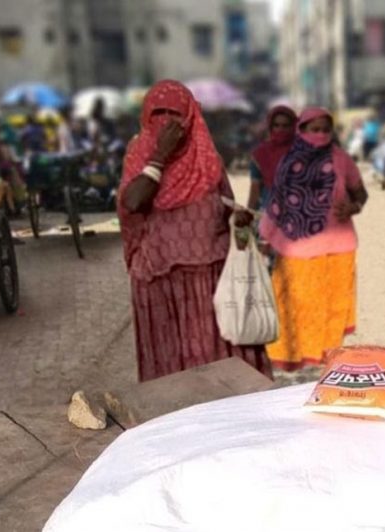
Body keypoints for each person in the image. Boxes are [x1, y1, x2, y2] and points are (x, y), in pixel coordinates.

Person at [118, 80, 273, 382]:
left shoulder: (207, 160)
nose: (167, 121)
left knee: (219, 372)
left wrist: (239, 222)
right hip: (160, 281)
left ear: (190, 115)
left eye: (175, 113)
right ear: (147, 115)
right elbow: (134, 201)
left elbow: (232, 217)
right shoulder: (139, 155)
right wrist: (160, 156)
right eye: (158, 112)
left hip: (211, 281)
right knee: (173, 378)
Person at [257, 107, 368, 371]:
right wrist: (264, 238)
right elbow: (278, 203)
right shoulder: (289, 162)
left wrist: (352, 207)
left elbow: (360, 192)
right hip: (295, 248)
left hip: (337, 247)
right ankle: (291, 362)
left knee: (330, 306)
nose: (320, 135)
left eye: (325, 130)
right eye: (313, 129)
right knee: (293, 305)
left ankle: (326, 360)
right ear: (301, 130)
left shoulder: (341, 159)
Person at [247, 105, 297, 212]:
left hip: (299, 213)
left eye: (285, 126)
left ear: (293, 126)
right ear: (270, 127)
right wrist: (249, 215)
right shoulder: (261, 154)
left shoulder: (303, 153)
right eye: (276, 125)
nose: (280, 129)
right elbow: (255, 189)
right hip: (268, 213)